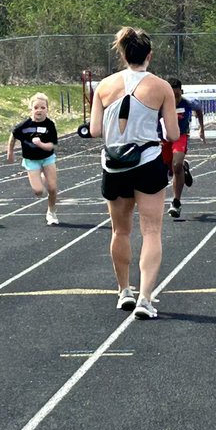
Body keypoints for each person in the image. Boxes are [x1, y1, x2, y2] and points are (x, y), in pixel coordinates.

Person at [89, 27, 178, 320]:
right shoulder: (162, 87)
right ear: (149, 56)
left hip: (114, 164)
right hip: (148, 161)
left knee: (120, 230)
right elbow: (173, 133)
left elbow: (95, 131)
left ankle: (123, 290)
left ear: (123, 55)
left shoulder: (103, 85)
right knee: (151, 230)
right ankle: (145, 297)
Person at [7, 92, 61, 225]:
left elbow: (51, 145)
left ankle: (51, 212)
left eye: (43, 108)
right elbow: (13, 136)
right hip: (31, 160)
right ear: (31, 109)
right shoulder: (24, 126)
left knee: (52, 188)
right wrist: (10, 152)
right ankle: (41, 178)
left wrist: (41, 144)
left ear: (47, 109)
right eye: (36, 107)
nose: (39, 110)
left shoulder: (50, 125)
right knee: (38, 191)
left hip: (47, 158)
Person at [164, 78, 205, 219]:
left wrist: (202, 128)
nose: (174, 99)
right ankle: (184, 168)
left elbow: (199, 109)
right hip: (164, 138)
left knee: (176, 165)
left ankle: (176, 202)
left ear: (181, 92)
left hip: (180, 137)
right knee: (169, 169)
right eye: (171, 95)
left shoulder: (188, 103)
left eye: (177, 95)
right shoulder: (160, 104)